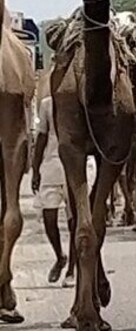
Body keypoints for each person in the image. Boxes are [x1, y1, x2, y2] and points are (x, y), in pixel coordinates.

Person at [31, 95, 75, 287]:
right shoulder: (47, 104)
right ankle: (60, 256)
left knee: (76, 221)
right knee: (49, 219)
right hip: (51, 167)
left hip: (75, 168)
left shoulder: (78, 103)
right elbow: (41, 137)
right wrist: (35, 169)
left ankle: (72, 270)